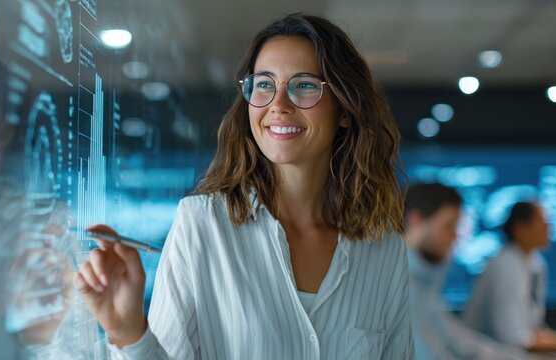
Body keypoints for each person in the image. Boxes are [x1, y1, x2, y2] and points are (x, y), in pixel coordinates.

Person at [75, 13, 414, 359]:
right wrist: (127, 332)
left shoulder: (383, 248)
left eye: (306, 85)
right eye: (264, 84)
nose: (278, 106)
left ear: (345, 109)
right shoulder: (202, 225)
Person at [404, 183, 530, 359]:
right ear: (416, 220)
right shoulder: (399, 285)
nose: (455, 237)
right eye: (448, 226)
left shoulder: (423, 281)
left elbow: (461, 341)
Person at [463, 201, 556, 359]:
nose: (548, 228)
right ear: (520, 228)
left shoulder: (535, 263)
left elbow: (532, 332)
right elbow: (515, 339)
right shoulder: (505, 266)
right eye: (542, 222)